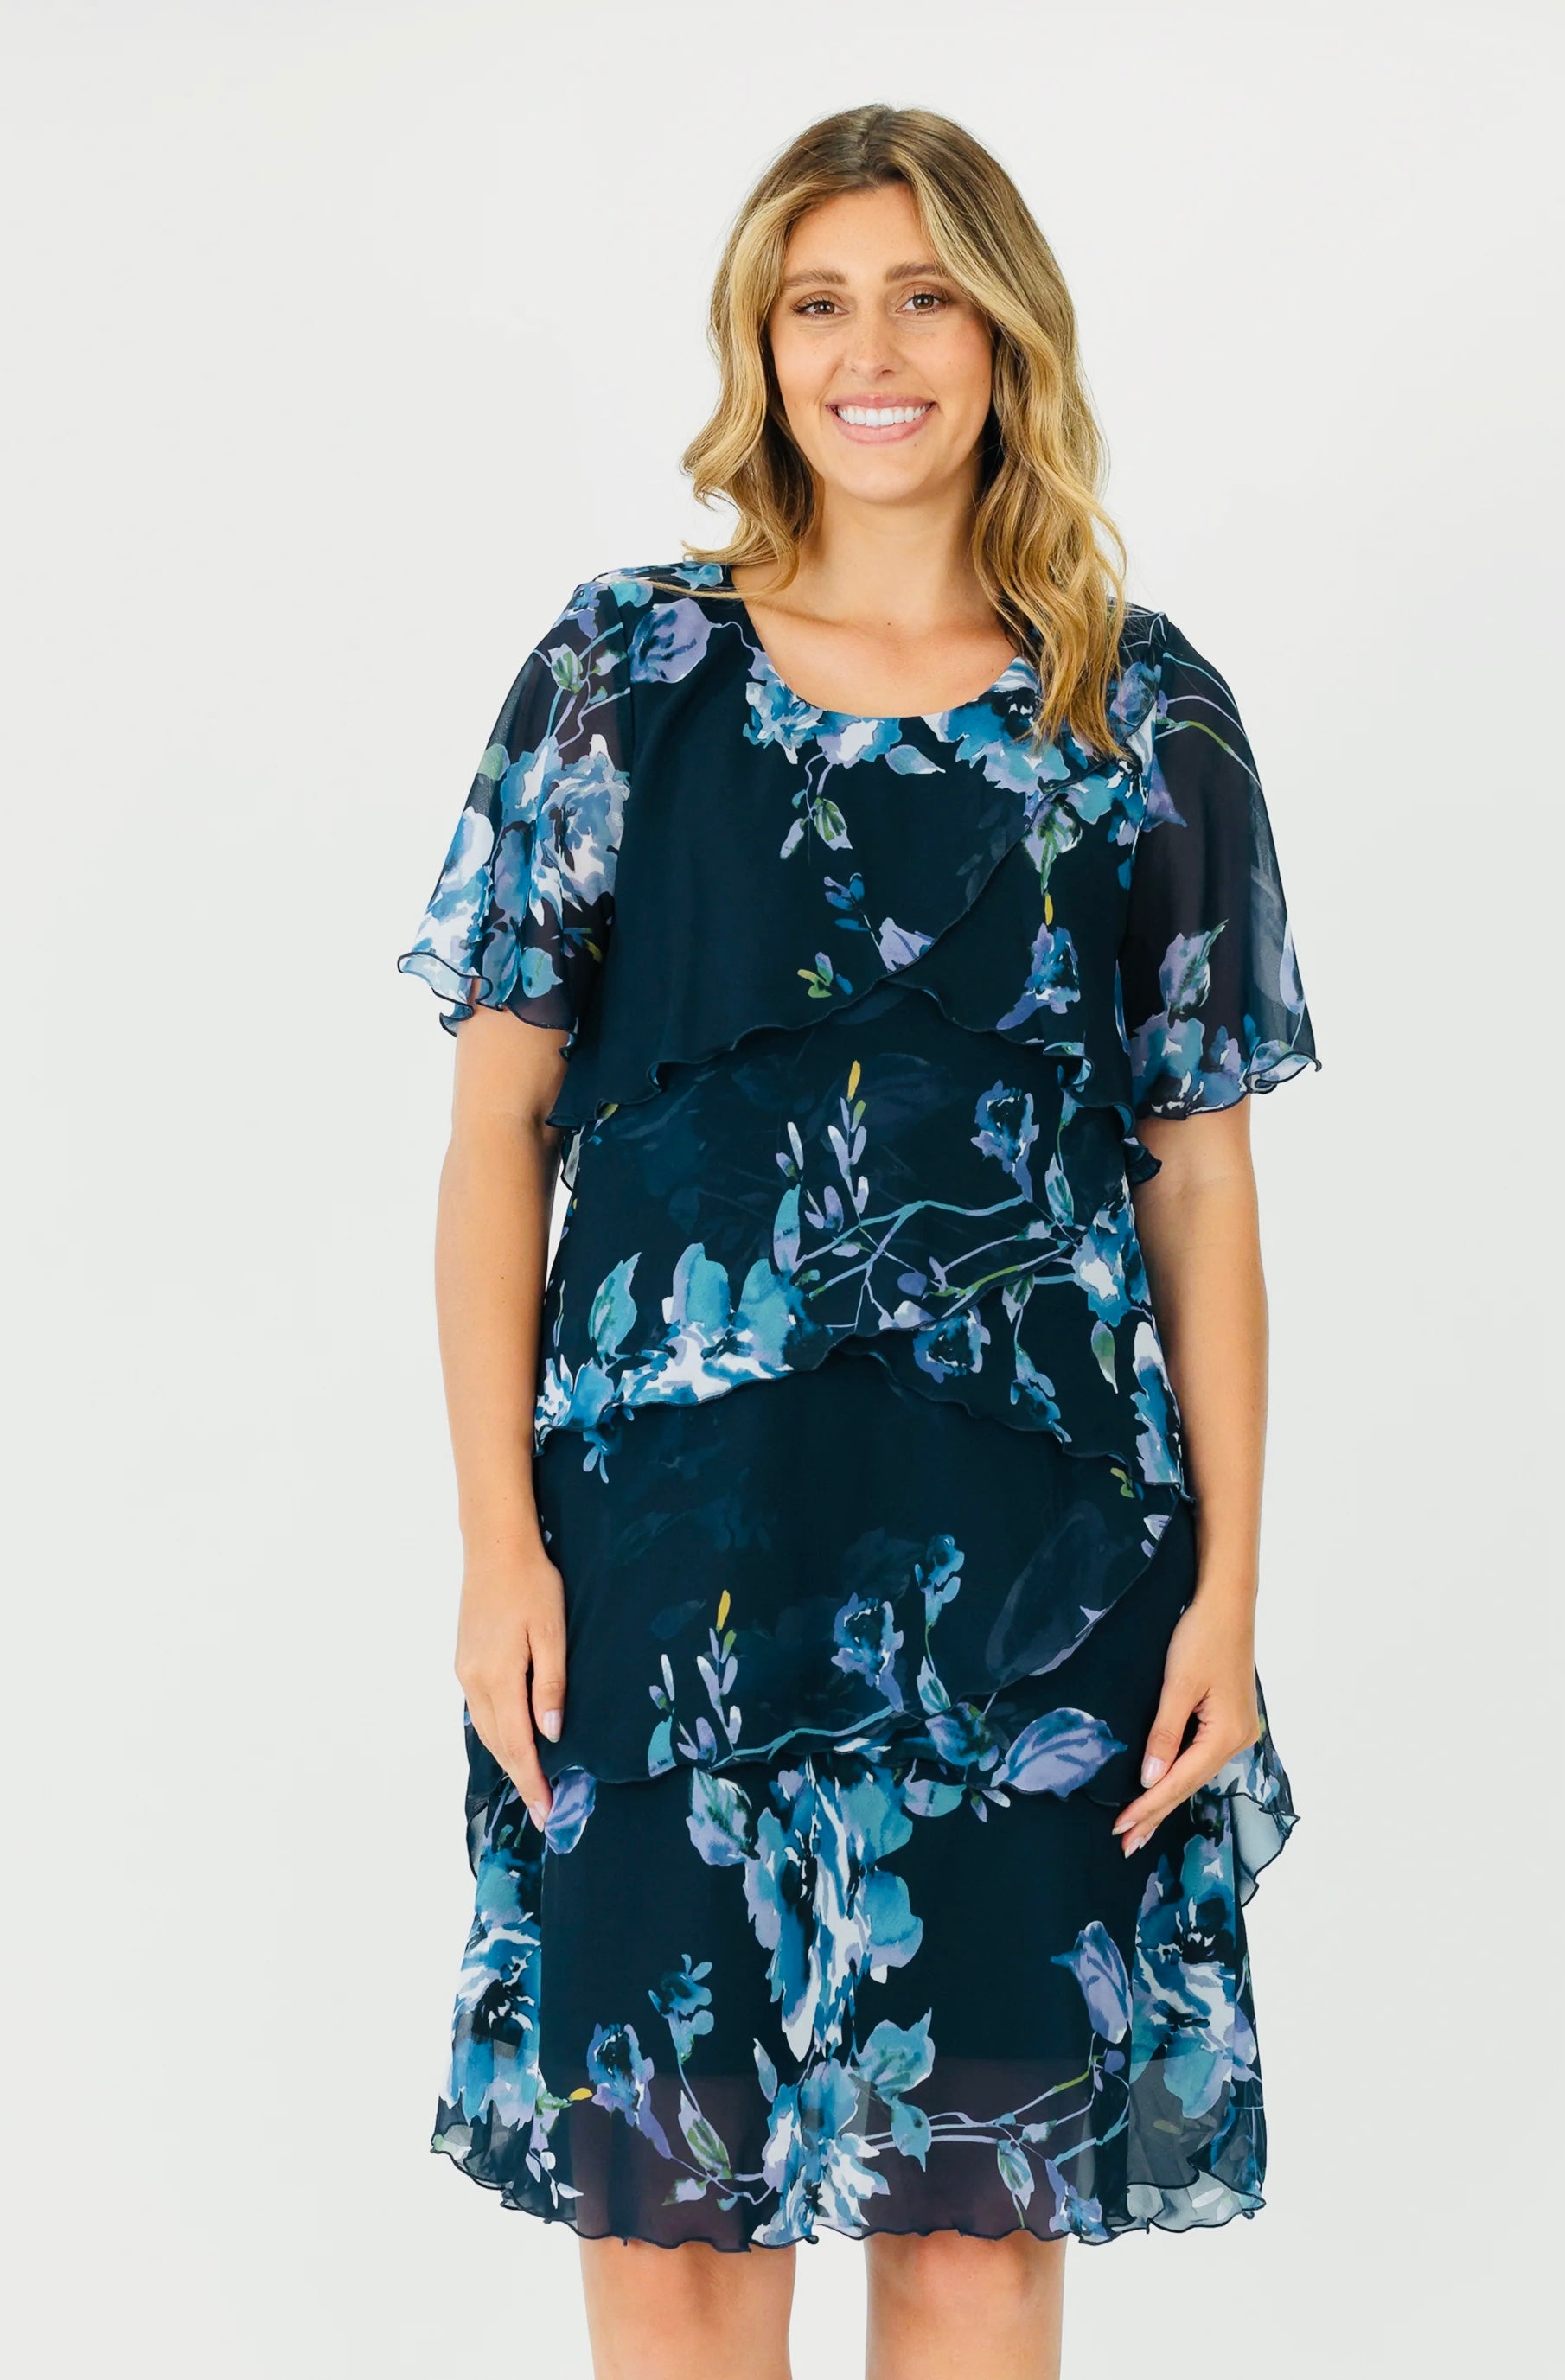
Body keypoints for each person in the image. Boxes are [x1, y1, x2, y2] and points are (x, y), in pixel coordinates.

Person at [396, 101, 1319, 2380]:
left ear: (1005, 338)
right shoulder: (622, 675)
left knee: (980, 2231)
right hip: (663, 1574)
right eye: (819, 303)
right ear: (760, 343)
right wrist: (500, 1545)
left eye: (923, 298)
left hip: (1037, 1586)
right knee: (672, 2221)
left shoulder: (1140, 713)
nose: (871, 353)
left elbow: (1200, 1178)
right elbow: (498, 1126)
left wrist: (1226, 1586)